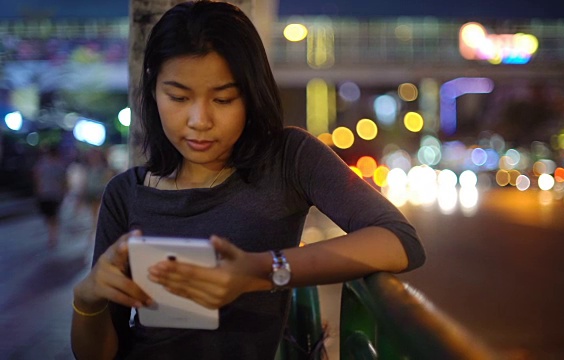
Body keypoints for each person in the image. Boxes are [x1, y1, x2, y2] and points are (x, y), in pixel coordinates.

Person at [70, 1, 425, 359]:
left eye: (223, 99)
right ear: (152, 91)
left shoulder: (287, 159)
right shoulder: (126, 194)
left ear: (251, 95)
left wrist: (260, 270)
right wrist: (87, 298)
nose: (199, 119)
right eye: (178, 96)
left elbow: (399, 241)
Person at [33, 144, 67, 248]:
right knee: (53, 216)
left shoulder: (43, 164)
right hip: (54, 194)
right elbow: (64, 180)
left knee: (50, 216)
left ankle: (52, 236)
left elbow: (36, 177)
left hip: (47, 194)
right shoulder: (58, 165)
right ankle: (53, 235)